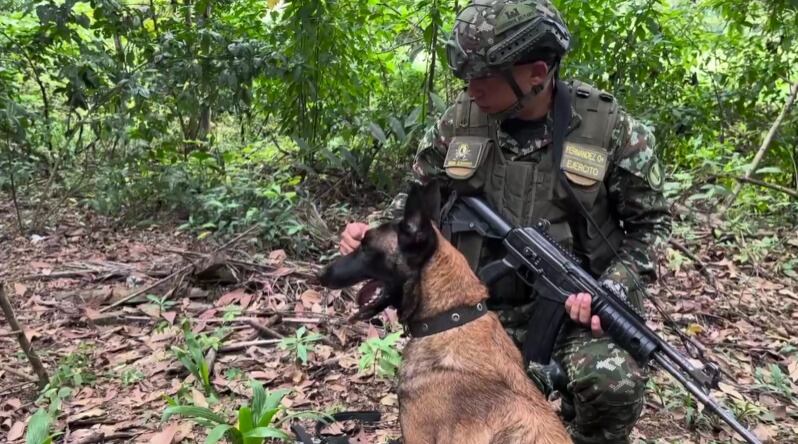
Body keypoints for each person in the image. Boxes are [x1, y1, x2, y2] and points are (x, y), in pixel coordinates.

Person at [338, 1, 672, 442]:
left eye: (484, 76)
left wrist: (611, 288)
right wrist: (373, 232)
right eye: (466, 76)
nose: (471, 88)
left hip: (570, 316)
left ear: (537, 73)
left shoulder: (609, 130)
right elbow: (416, 199)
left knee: (614, 385)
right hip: (475, 310)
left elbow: (651, 227)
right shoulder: (459, 122)